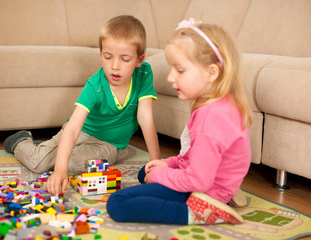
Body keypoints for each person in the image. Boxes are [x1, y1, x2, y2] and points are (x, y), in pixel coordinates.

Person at [106, 18, 253, 225]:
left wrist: (161, 175)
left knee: (118, 203)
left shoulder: (210, 118)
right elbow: (191, 157)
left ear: (212, 72)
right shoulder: (221, 104)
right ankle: (225, 193)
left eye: (180, 70)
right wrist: (167, 164)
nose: (170, 77)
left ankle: (198, 213)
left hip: (203, 190)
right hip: (211, 179)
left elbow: (198, 180)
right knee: (145, 171)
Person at [3, 15, 160, 196]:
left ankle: (52, 150)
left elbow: (145, 118)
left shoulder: (144, 74)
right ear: (101, 55)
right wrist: (59, 171)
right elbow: (73, 129)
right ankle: (21, 141)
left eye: (125, 59)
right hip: (82, 132)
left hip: (108, 145)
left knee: (71, 163)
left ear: (139, 60)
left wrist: (156, 163)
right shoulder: (95, 85)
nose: (115, 66)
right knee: (39, 163)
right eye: (108, 57)